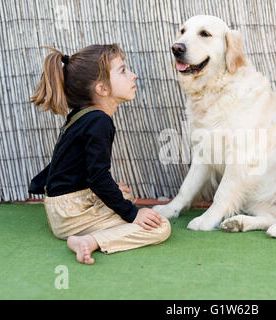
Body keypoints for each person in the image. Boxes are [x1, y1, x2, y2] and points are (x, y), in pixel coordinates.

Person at [29, 44, 170, 265]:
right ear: (102, 89)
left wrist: (112, 189)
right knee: (160, 227)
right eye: (123, 71)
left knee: (123, 194)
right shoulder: (99, 122)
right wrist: (133, 214)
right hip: (71, 213)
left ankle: (90, 227)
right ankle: (89, 241)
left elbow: (71, 163)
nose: (133, 75)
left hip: (64, 206)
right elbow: (97, 176)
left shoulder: (83, 115)